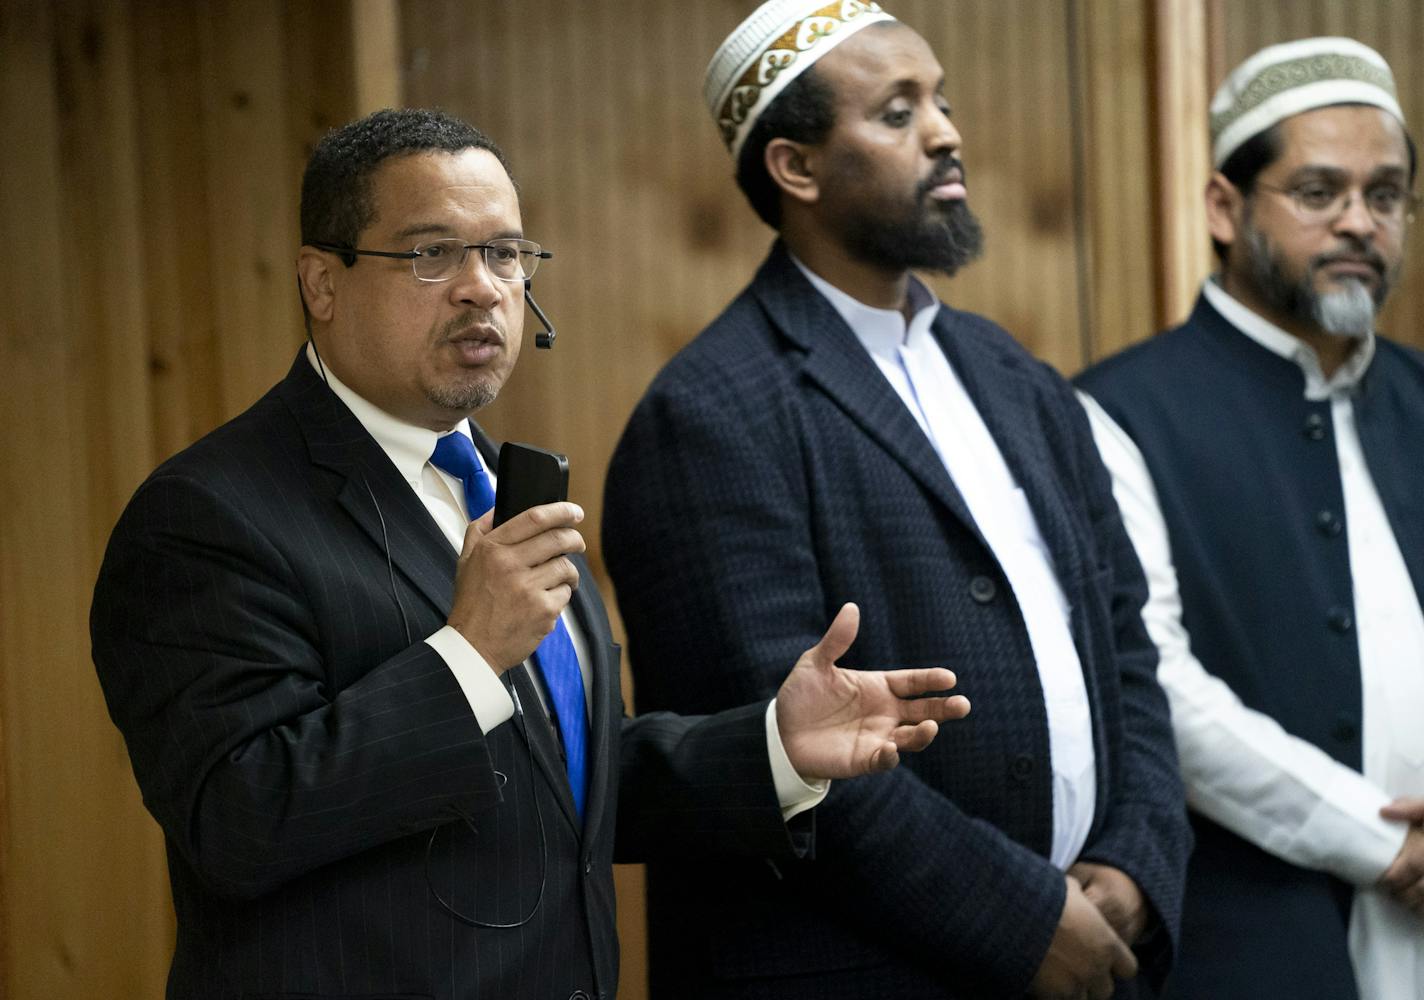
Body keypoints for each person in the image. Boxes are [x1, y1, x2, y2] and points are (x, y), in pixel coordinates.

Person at [89, 107, 974, 1000]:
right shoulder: (207, 517)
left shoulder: (505, 486)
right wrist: (467, 656)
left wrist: (774, 748)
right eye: (431, 254)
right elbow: (238, 820)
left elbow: (565, 779)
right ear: (323, 282)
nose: (482, 288)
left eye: (506, 253)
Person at [600, 3, 1190, 998]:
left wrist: (1135, 861)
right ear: (794, 168)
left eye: (942, 101)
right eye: (897, 111)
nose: (946, 131)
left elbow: (1124, 646)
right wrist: (1025, 918)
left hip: (1086, 936)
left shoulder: (1015, 376)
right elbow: (786, 756)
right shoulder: (708, 415)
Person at [1075, 37, 1424, 1000]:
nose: (1359, 222)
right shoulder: (1118, 413)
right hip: (1257, 934)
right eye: (1318, 192)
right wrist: (1380, 839)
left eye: (1386, 195)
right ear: (1225, 208)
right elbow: (1160, 689)